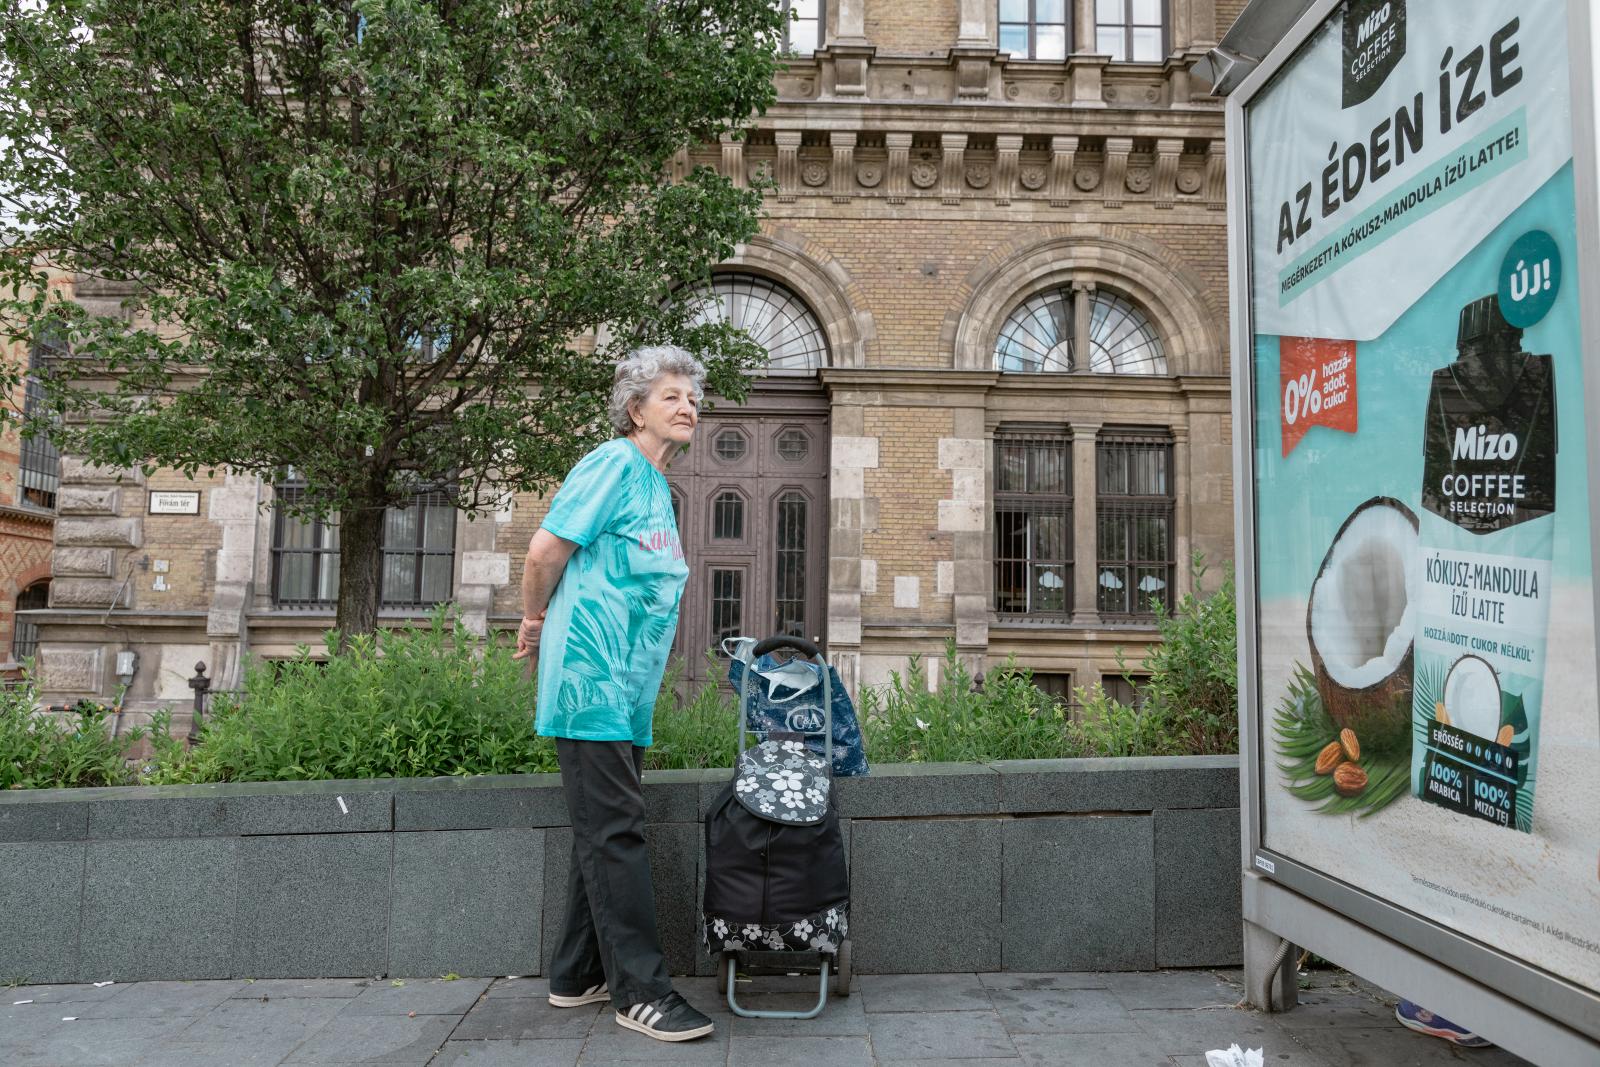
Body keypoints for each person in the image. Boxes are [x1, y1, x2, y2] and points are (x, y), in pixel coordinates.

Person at [513, 345, 713, 1042]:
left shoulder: (655, 483)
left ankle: (577, 973)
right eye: (671, 396)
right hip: (588, 676)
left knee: (604, 826)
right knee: (619, 829)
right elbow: (544, 552)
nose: (688, 405)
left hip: (623, 689)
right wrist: (534, 621)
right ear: (636, 409)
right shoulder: (612, 464)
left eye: (692, 396)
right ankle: (642, 993)